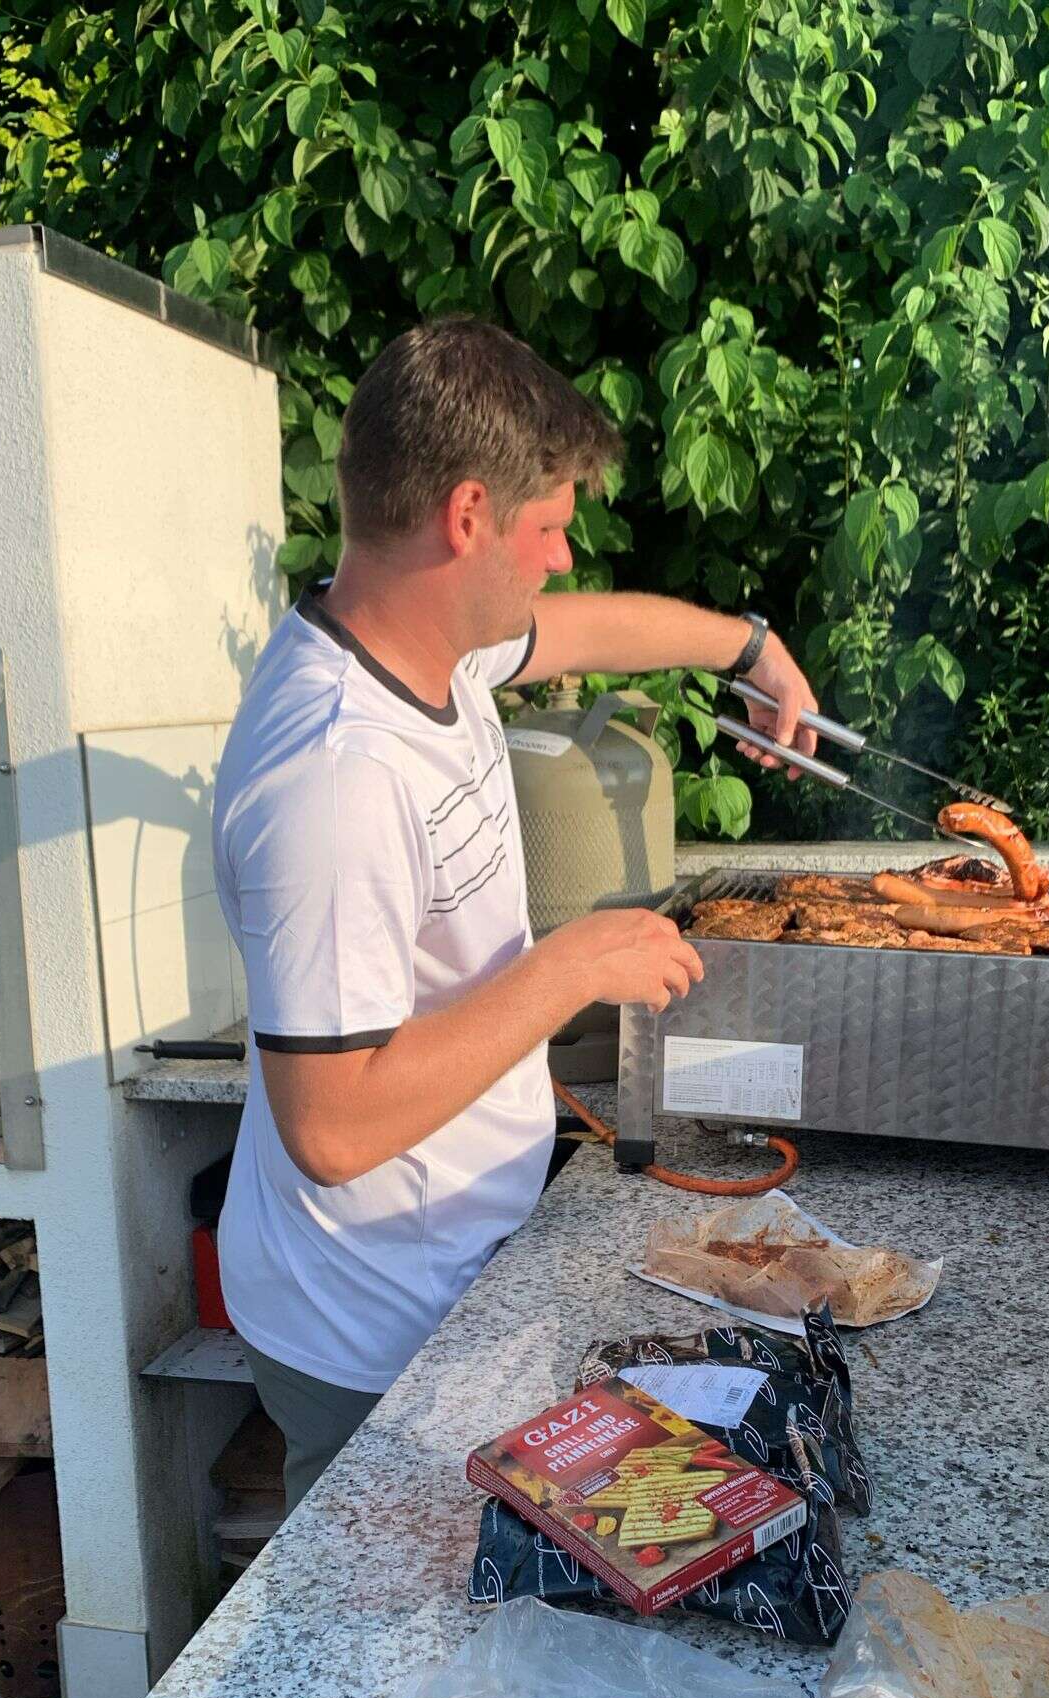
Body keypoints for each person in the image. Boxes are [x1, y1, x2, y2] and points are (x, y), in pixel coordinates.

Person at [212, 318, 820, 1511]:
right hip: (370, 1332)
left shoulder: (432, 644)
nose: (563, 552)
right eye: (548, 525)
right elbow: (329, 1125)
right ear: (468, 516)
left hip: (456, 1274)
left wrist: (750, 647)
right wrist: (567, 967)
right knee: (388, 1619)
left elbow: (584, 627)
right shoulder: (337, 777)